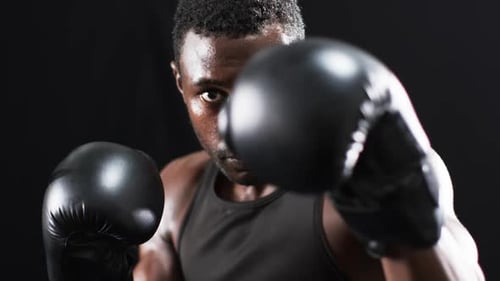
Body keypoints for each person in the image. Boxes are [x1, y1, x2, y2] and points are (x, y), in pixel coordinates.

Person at [131, 0, 484, 280]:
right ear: (180, 81)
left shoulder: (358, 185)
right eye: (211, 94)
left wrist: (406, 223)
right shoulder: (178, 192)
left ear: (296, 73)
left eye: (260, 91)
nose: (235, 127)